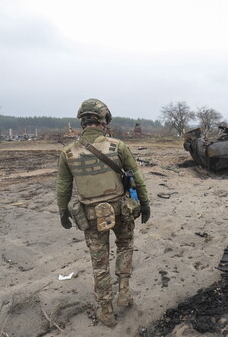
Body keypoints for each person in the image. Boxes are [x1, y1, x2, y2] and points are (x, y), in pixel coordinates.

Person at [56, 99, 150, 327]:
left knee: (99, 264)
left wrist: (62, 212)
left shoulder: (68, 153)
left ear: (82, 121)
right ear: (104, 120)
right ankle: (124, 292)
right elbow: (137, 178)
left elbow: (63, 188)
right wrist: (145, 204)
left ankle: (106, 311)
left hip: (91, 216)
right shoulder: (118, 146)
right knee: (125, 246)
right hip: (121, 211)